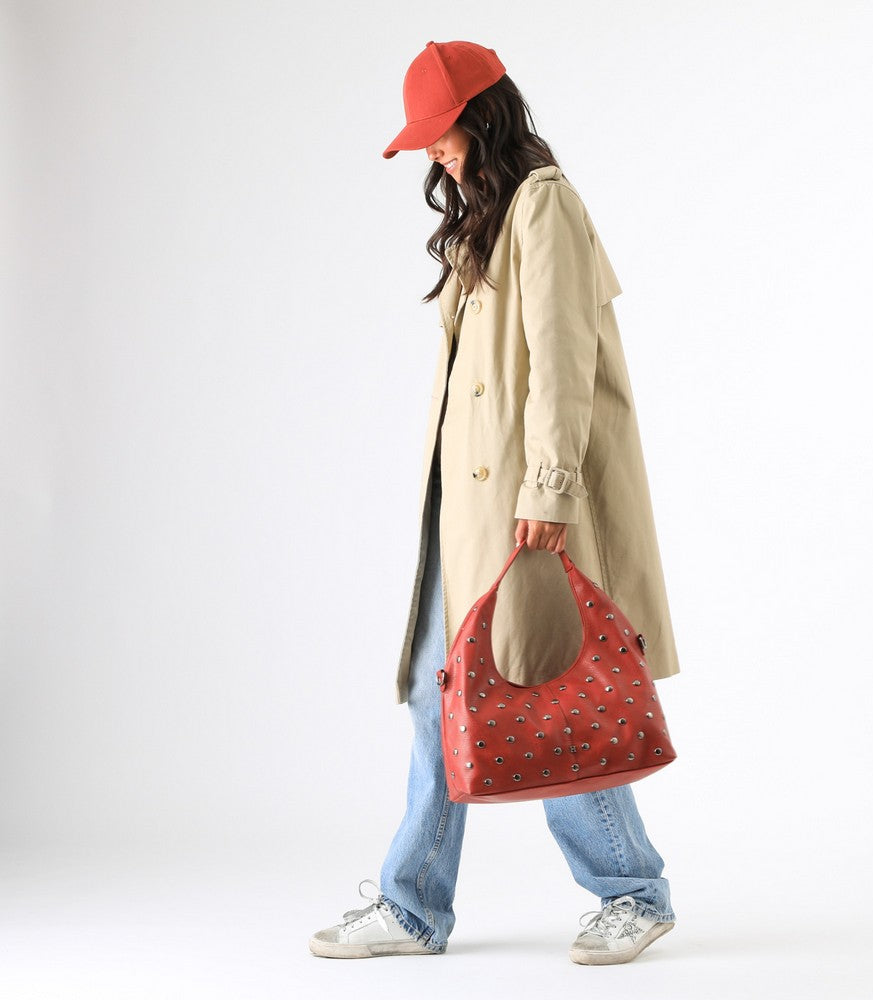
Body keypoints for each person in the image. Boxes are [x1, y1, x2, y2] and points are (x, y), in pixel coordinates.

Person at [309, 39, 681, 965]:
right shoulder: (487, 216)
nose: (435, 153)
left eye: (443, 133)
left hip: (525, 509)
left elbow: (562, 360)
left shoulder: (543, 203)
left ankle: (632, 892)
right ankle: (413, 906)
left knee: (551, 685)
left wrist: (549, 489)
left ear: (486, 117)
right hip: (466, 511)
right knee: (438, 695)